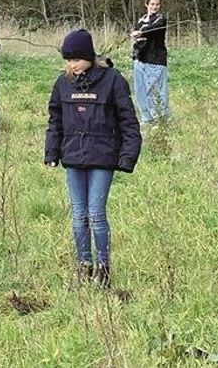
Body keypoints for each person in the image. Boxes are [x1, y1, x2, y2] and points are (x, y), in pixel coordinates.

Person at [45, 29, 141, 289]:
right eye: (67, 60)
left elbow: (128, 121)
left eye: (75, 59)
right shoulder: (62, 83)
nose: (71, 65)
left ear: (89, 56)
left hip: (103, 157)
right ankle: (83, 265)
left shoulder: (113, 80)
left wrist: (127, 156)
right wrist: (52, 151)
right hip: (73, 157)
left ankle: (104, 268)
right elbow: (55, 121)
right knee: (78, 215)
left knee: (96, 214)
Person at [130, 0, 170, 125]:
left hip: (155, 60)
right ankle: (147, 119)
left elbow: (153, 29)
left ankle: (161, 119)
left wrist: (141, 32)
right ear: (147, 5)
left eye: (157, 4)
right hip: (140, 59)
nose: (155, 7)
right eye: (152, 4)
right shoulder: (141, 20)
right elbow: (139, 37)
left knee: (155, 91)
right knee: (140, 90)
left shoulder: (161, 19)